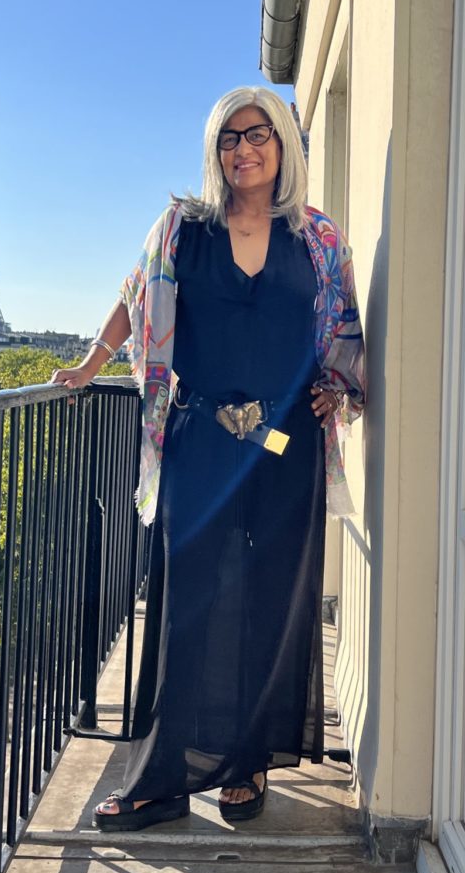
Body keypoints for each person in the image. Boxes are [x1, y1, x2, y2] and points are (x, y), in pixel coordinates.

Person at [51, 86, 365, 831]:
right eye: (230, 138)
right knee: (188, 601)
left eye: (259, 134)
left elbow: (342, 325)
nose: (243, 149)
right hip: (199, 441)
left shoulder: (318, 239)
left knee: (271, 600)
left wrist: (338, 389)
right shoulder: (182, 229)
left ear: (285, 145)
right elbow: (136, 296)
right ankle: (163, 776)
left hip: (286, 447)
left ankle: (248, 761)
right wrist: (92, 364)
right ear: (214, 150)